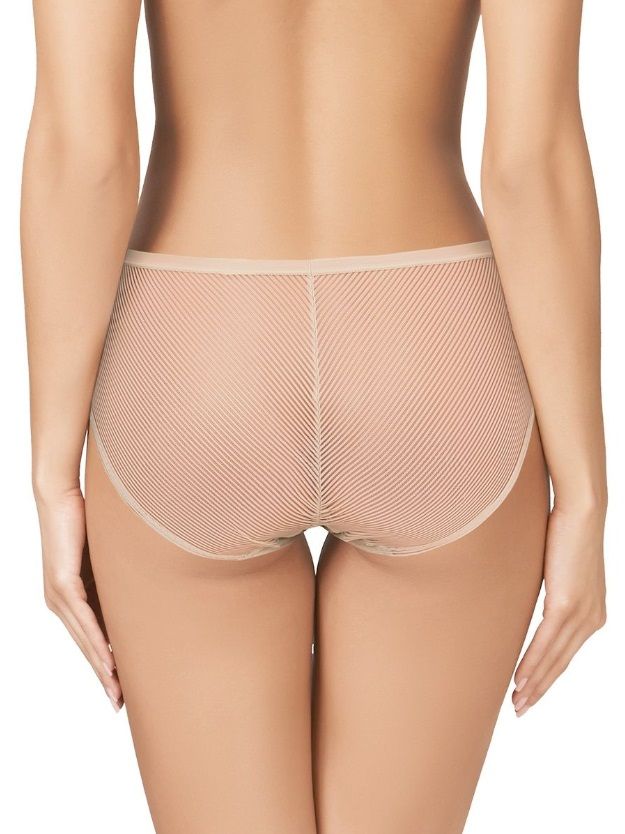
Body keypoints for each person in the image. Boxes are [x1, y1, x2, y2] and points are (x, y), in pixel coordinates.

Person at [20, 1, 607, 832]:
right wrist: (583, 495)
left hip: (196, 361)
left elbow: (85, 155)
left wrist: (53, 476)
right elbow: (529, 163)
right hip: (431, 359)